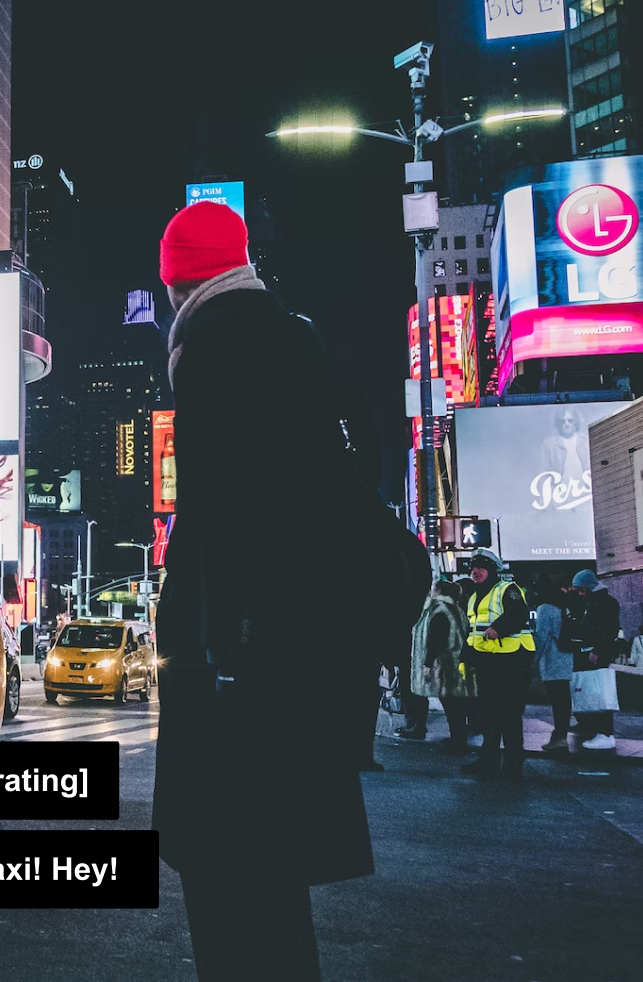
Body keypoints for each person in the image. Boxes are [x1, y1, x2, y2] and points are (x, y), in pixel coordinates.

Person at [150, 201, 423, 981]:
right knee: (274, 899)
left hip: (239, 674)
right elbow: (363, 463)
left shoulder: (208, 349)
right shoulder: (299, 335)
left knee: (229, 895)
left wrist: (214, 650)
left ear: (175, 283)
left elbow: (219, 527)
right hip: (302, 667)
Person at [461, 550, 534, 778]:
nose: (475, 572)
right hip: (488, 662)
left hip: (513, 660)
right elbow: (472, 630)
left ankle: (513, 763)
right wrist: (465, 659)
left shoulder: (507, 589)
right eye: (473, 568)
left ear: (492, 570)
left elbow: (519, 613)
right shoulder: (474, 596)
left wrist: (498, 628)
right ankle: (488, 761)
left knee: (509, 713)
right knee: (489, 714)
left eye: (481, 568)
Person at [402, 579, 474, 749]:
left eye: (433, 588)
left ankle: (458, 742)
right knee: (455, 704)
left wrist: (427, 664)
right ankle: (457, 738)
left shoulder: (438, 610)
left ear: (439, 591)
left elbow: (436, 639)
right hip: (457, 661)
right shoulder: (456, 609)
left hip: (445, 665)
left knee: (451, 704)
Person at [566, 570, 621, 751]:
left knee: (600, 693)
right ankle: (592, 726)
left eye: (581, 590)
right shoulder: (593, 601)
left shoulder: (605, 603)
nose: (580, 593)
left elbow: (610, 629)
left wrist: (598, 650)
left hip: (596, 654)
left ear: (589, 587)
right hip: (588, 652)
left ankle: (605, 733)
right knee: (590, 691)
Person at [531, 577, 574, 754]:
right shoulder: (562, 606)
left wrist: (531, 660)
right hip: (566, 657)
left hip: (552, 659)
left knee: (557, 700)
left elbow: (541, 637)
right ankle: (561, 735)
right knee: (563, 700)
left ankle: (559, 739)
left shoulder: (545, 608)